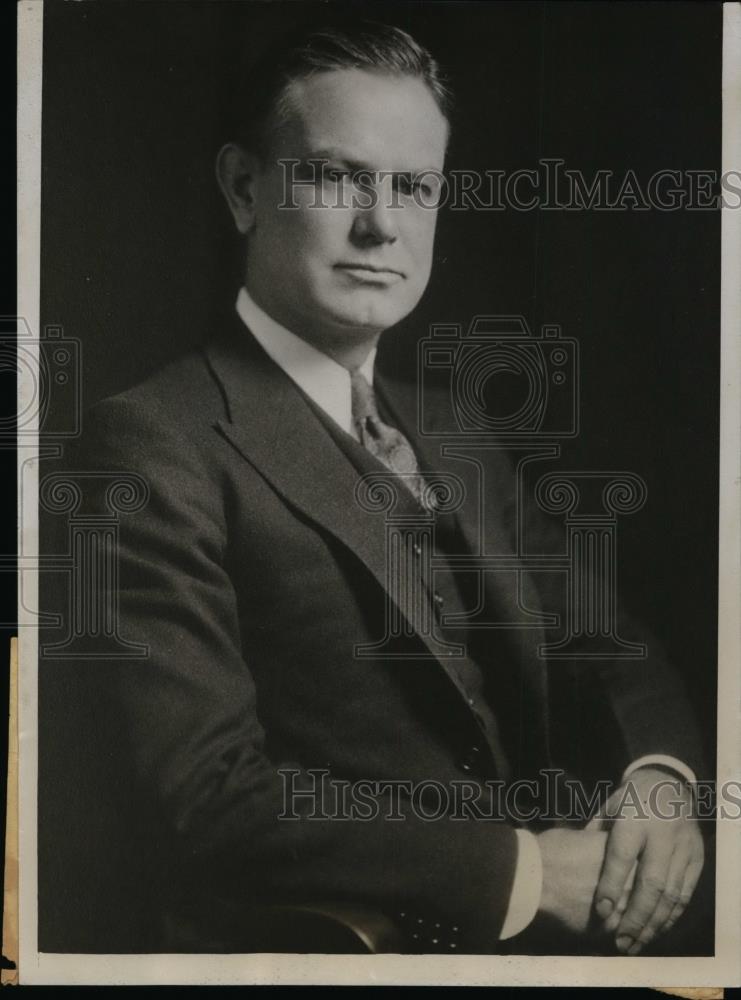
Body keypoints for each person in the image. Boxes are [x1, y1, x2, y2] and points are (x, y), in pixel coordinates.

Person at [42, 19, 708, 956]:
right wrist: (518, 873)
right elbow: (207, 795)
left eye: (412, 187)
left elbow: (605, 633)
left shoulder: (455, 427)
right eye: (337, 176)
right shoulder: (148, 442)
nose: (381, 225)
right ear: (243, 189)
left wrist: (660, 780)